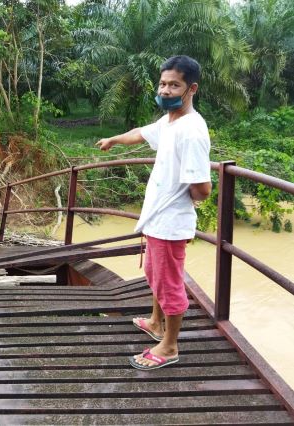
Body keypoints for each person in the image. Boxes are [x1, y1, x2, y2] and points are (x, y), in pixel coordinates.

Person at [96, 55, 212, 370]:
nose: (165, 90)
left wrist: (181, 198)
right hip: (157, 220)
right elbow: (141, 132)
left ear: (191, 89)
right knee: (154, 273)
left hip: (170, 223)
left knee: (168, 283)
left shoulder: (192, 131)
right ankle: (155, 322)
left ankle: (169, 346)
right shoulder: (170, 122)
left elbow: (203, 189)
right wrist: (113, 140)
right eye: (162, 83)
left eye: (174, 85)